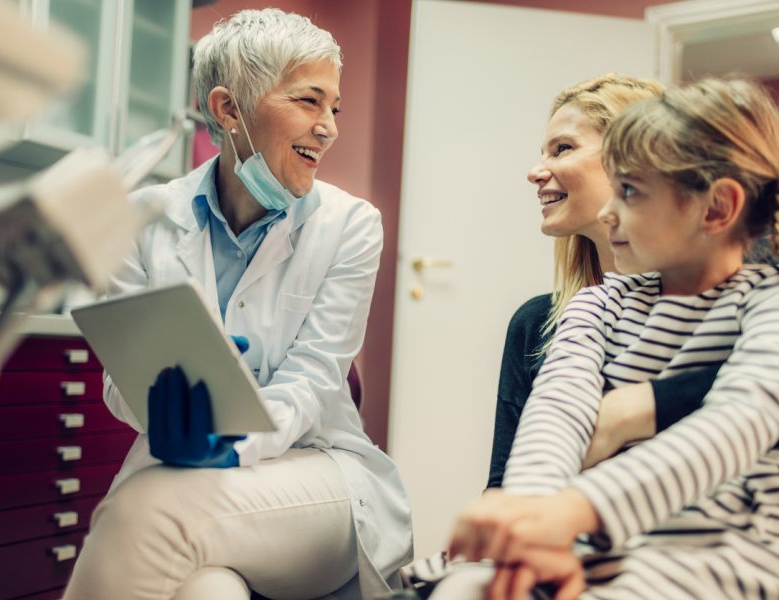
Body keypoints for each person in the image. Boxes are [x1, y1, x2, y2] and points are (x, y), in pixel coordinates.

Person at [63, 9, 412, 600]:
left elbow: (314, 379)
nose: (328, 127)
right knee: (206, 589)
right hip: (183, 479)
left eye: (335, 107)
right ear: (228, 110)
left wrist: (233, 442)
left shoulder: (351, 225)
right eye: (309, 101)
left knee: (146, 515)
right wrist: (162, 416)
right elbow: (124, 378)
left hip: (318, 475)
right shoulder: (141, 219)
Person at [447, 77, 779, 599]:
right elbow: (557, 408)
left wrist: (573, 511)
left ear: (715, 209)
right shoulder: (599, 303)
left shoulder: (766, 307)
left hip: (725, 550)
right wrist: (534, 520)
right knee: (466, 588)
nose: (607, 211)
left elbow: (740, 422)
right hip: (603, 540)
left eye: (628, 190)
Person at [487, 73, 720, 488]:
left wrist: (632, 411)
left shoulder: (735, 311)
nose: (536, 172)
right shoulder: (539, 323)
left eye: (563, 149)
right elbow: (504, 485)